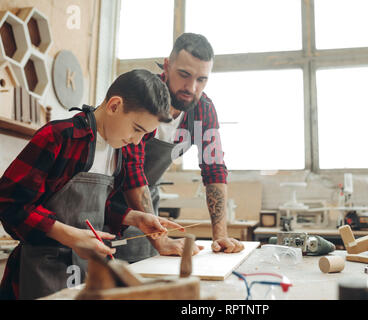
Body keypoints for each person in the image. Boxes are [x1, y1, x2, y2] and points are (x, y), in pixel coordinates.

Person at [0, 69, 184, 300]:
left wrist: (133, 217)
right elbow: (9, 204)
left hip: (88, 269)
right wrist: (69, 236)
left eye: (145, 134)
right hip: (42, 268)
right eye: (137, 129)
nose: (137, 141)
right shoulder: (60, 137)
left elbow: (92, 208)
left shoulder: (118, 151)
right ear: (114, 106)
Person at [114, 33, 245, 262]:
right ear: (167, 65)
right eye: (184, 75)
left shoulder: (202, 110)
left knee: (143, 275)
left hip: (146, 202)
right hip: (104, 196)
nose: (191, 87)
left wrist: (220, 236)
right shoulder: (141, 95)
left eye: (201, 79)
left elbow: (214, 169)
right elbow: (131, 171)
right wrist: (161, 241)